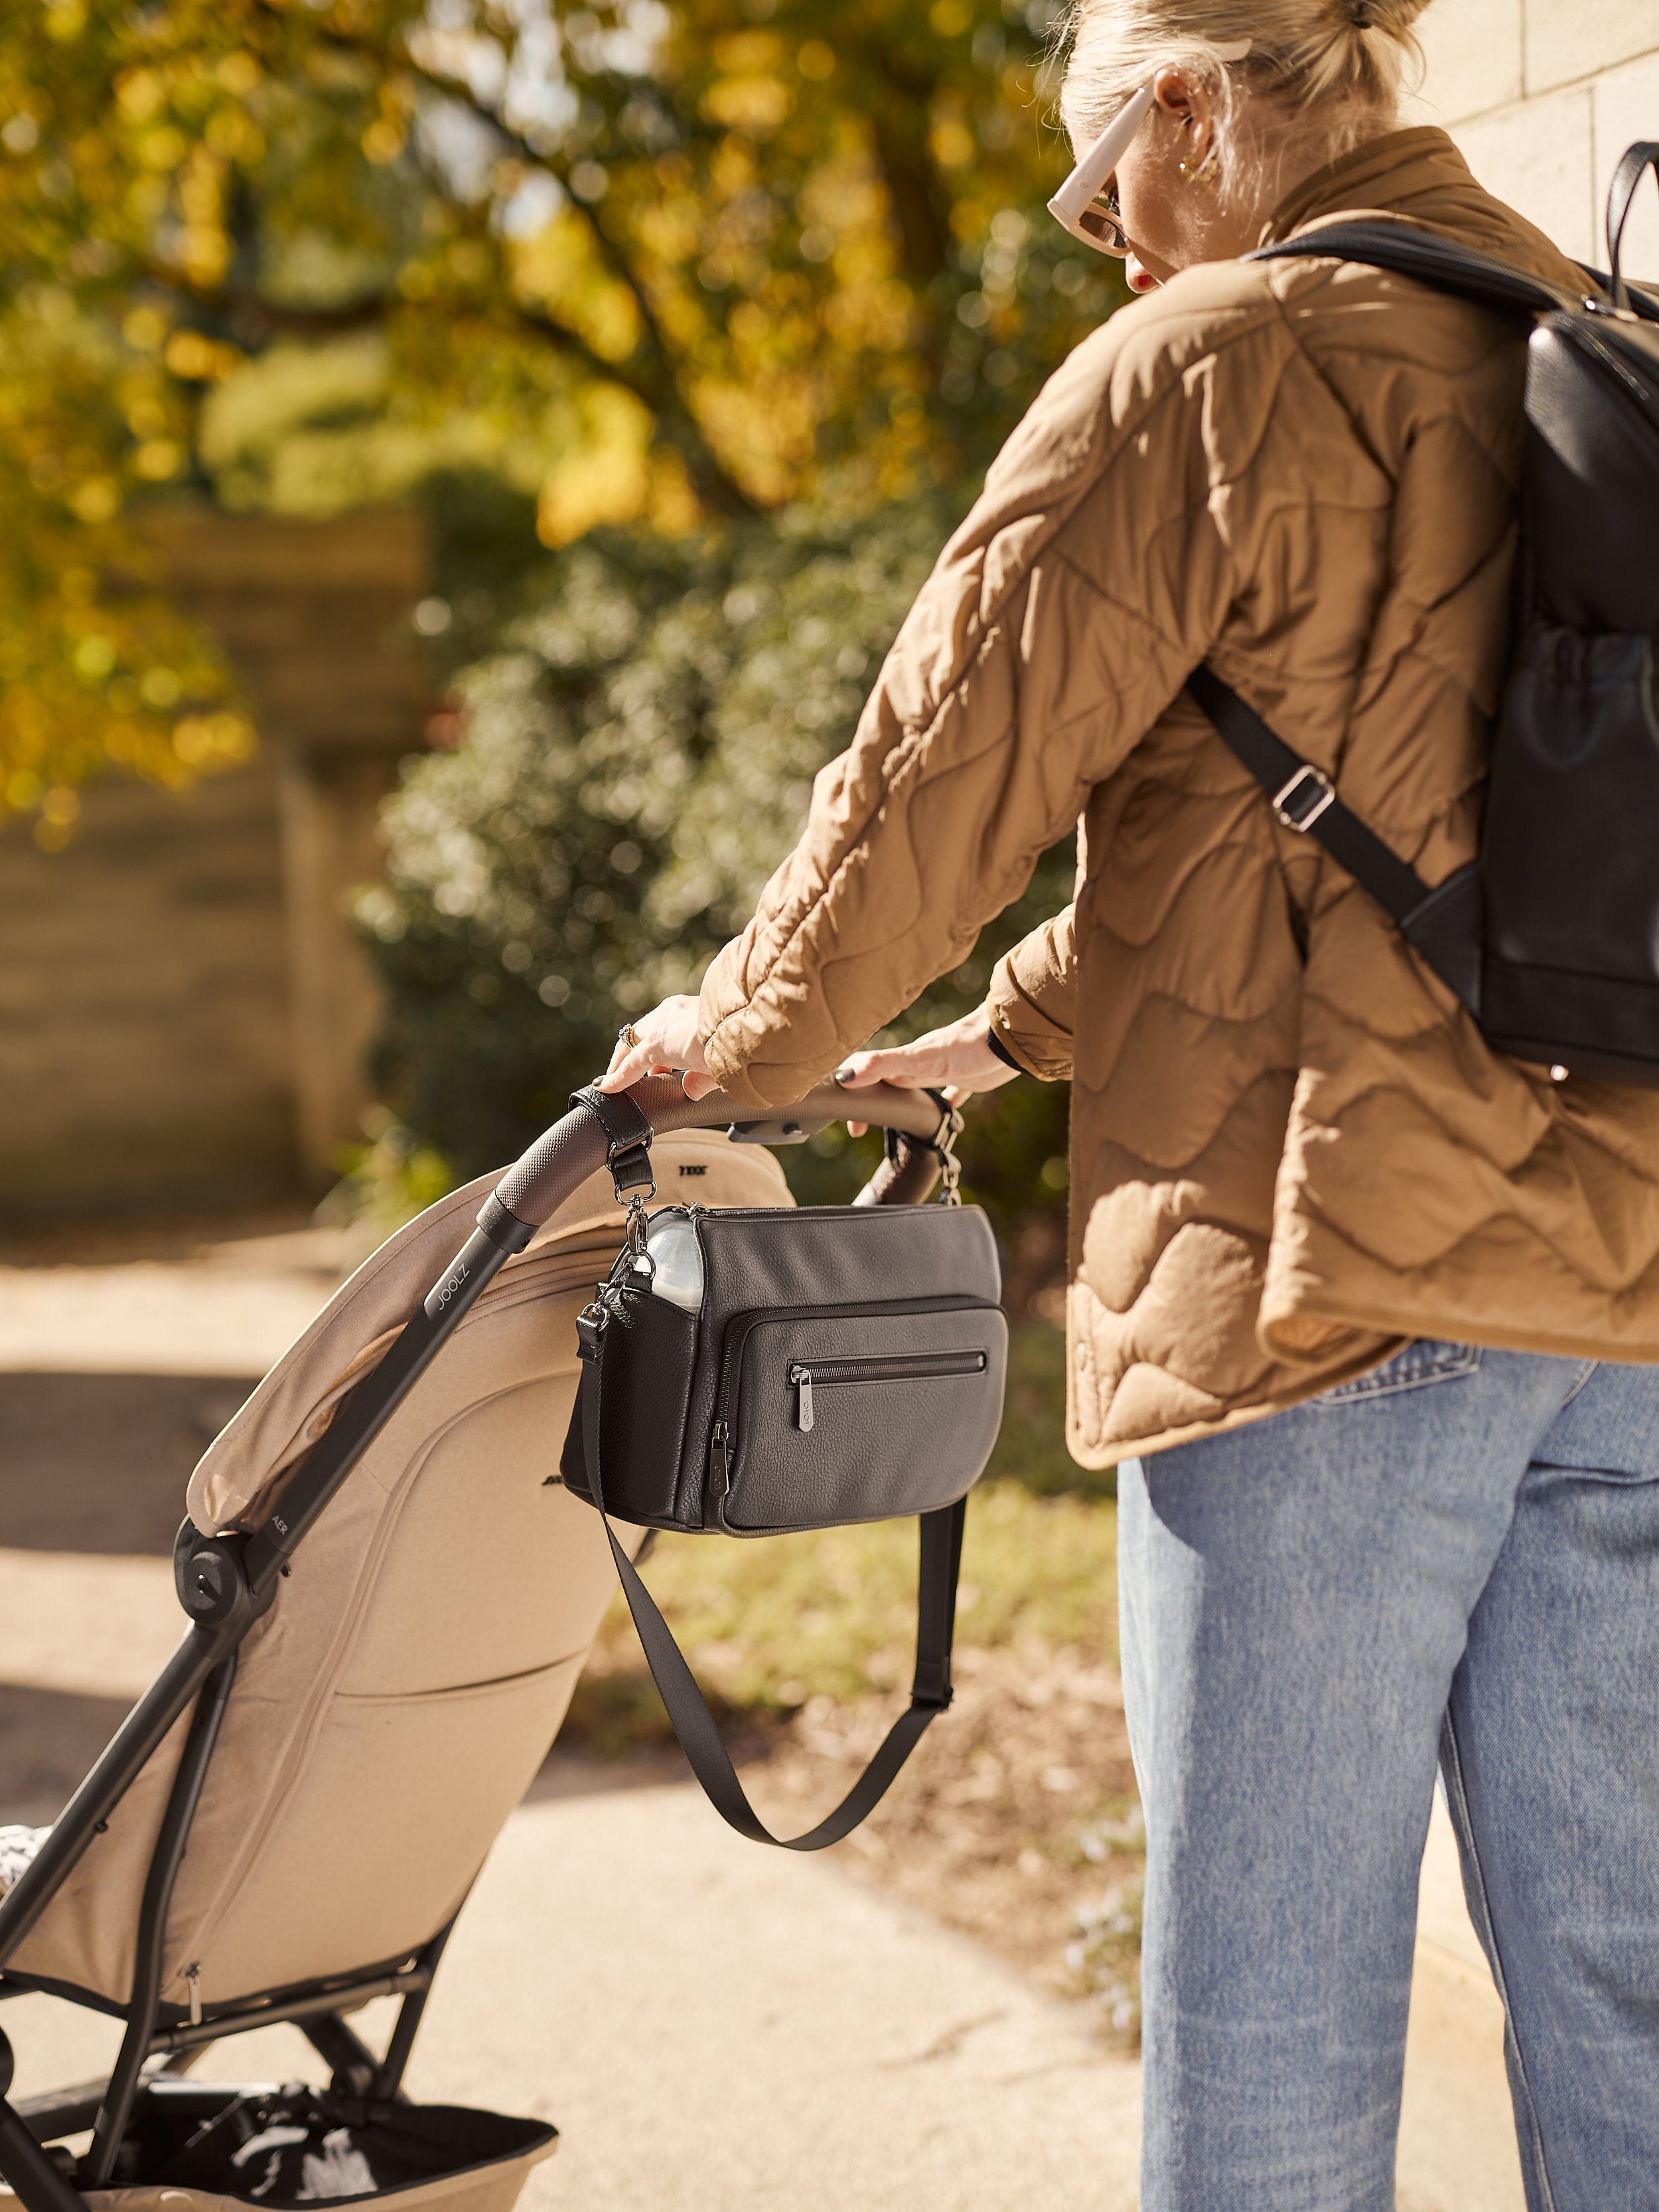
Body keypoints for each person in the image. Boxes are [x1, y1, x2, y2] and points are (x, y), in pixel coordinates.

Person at [601, 3, 1659, 2204]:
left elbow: (937, 779)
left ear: (1189, 104)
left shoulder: (1206, 369)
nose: (1103, 250)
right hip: (1624, 1289)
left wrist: (729, 1052)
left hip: (1315, 1291)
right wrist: (1008, 1037)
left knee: (1269, 2002)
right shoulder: (1598, 337)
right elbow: (1370, 827)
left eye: (1101, 192)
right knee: (1628, 1997)